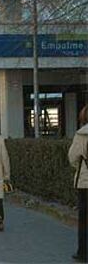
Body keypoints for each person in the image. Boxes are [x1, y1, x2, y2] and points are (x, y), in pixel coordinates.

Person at [68, 105, 88, 262]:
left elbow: (73, 158)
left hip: (85, 183)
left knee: (84, 220)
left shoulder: (81, 135)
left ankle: (83, 252)